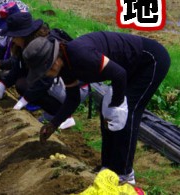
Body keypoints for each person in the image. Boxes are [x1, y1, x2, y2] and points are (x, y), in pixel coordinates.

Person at [23, 32, 170, 185]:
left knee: (126, 113)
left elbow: (119, 74)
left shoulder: (80, 55)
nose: (45, 74)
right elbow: (73, 99)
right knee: (107, 112)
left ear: (52, 62)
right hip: (127, 68)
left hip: (150, 60)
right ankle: (108, 166)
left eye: (44, 70)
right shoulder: (65, 66)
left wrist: (118, 104)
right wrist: (54, 124)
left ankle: (125, 173)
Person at [0, 11, 77, 129]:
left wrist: (24, 100)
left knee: (29, 86)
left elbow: (45, 80)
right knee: (23, 84)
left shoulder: (44, 45)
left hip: (72, 86)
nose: (12, 40)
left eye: (14, 37)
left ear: (23, 35)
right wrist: (4, 84)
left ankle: (65, 116)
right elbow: (19, 65)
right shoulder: (29, 44)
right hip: (57, 82)